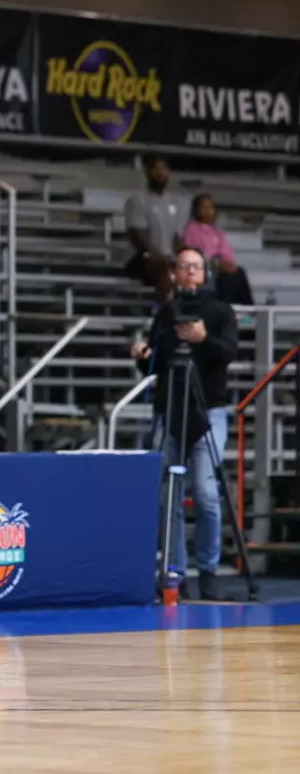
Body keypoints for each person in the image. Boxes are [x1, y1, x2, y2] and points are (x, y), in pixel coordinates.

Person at [130, 245, 237, 601]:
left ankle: (208, 570)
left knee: (206, 493)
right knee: (168, 494)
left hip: (209, 411)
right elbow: (155, 365)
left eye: (195, 267)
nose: (189, 272)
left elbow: (227, 353)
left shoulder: (220, 311)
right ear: (175, 273)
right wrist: (143, 357)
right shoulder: (165, 314)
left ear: (204, 273)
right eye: (183, 267)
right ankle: (175, 573)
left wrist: (203, 340)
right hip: (169, 409)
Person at [124, 155, 189, 304]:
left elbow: (177, 238)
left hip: (168, 258)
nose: (160, 173)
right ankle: (161, 314)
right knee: (164, 269)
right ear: (147, 172)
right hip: (142, 259)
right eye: (156, 169)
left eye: (164, 169)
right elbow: (137, 235)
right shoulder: (137, 200)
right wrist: (158, 255)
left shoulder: (175, 203)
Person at [184, 194, 254, 306]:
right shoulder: (192, 229)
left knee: (238, 272)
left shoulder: (218, 232)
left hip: (220, 269)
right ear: (196, 211)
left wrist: (227, 265)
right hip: (206, 271)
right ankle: (223, 310)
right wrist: (216, 263)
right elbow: (195, 253)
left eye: (211, 207)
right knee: (227, 278)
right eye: (204, 207)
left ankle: (249, 311)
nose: (208, 211)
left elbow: (227, 254)